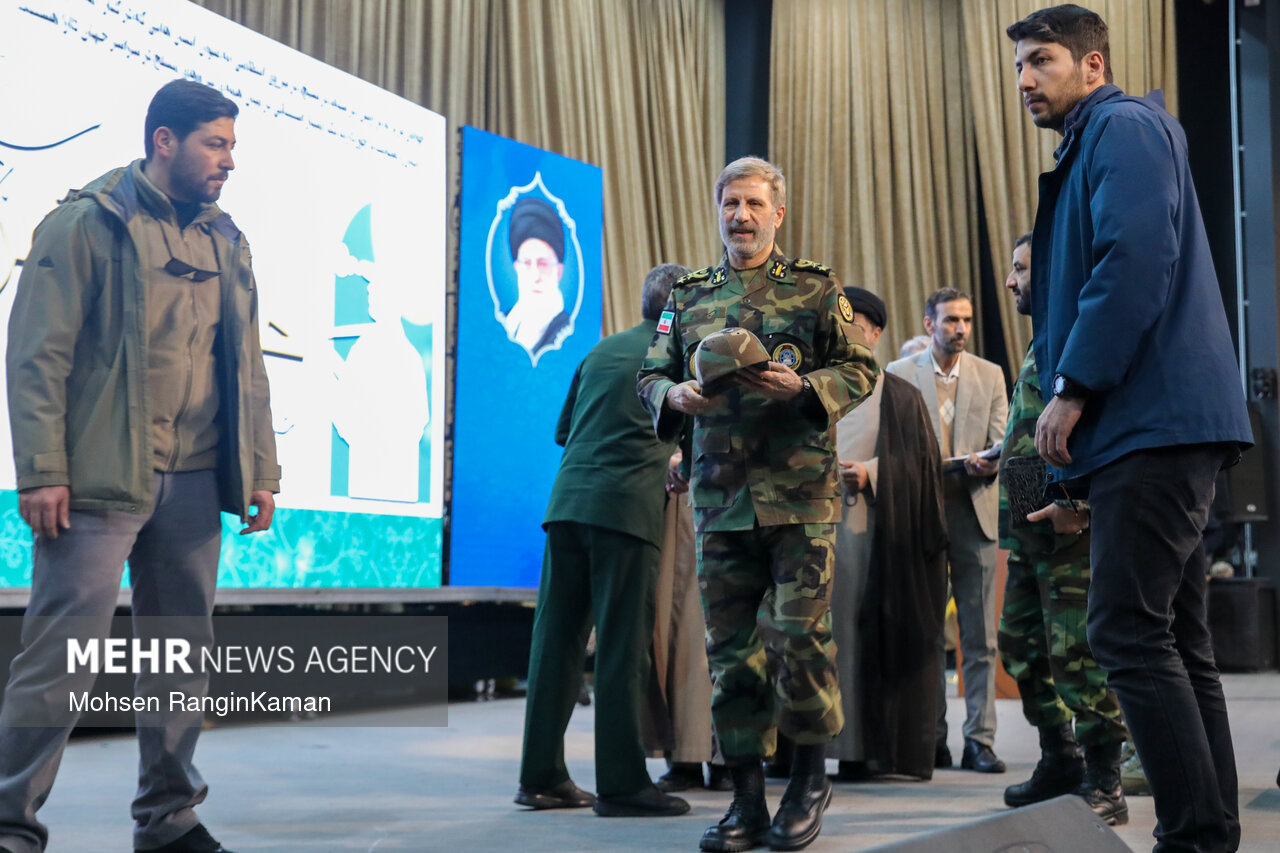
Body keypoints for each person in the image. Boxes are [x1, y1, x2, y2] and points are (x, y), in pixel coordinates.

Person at [0, 79, 280, 853]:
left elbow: (247, 365)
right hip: (99, 478)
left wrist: (260, 467)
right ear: (164, 141)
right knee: (60, 659)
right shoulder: (87, 223)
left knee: (181, 657)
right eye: (215, 144)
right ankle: (9, 824)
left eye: (231, 145)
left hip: (194, 479)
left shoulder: (229, 240)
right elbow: (36, 355)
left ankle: (169, 819)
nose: (228, 161)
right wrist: (42, 468)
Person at [1008, 6, 1252, 852]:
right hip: (1156, 426)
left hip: (1155, 422)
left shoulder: (1122, 127)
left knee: (1125, 631)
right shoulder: (1099, 140)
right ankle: (1207, 832)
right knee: (1176, 639)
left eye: (1042, 61)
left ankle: (1194, 836)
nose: (1026, 80)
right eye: (1019, 67)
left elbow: (1134, 258)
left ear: (1093, 64)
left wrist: (1073, 387)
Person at [637, 156, 878, 852]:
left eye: (753, 204)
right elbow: (651, 375)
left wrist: (806, 388)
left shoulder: (815, 288)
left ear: (778, 214)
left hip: (800, 499)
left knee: (799, 639)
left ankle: (808, 779)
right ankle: (745, 798)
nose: (740, 216)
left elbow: (860, 367)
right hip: (719, 500)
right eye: (730, 204)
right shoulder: (687, 297)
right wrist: (674, 396)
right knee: (731, 654)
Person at [516, 263, 692, 819]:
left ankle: (540, 778)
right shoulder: (681, 361)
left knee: (555, 644)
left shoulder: (600, 351)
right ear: (682, 311)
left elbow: (564, 432)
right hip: (625, 514)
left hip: (567, 507)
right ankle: (622, 783)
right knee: (622, 648)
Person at [995, 232, 1129, 824]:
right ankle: (1060, 759)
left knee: (1077, 655)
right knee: (1021, 648)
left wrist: (1085, 506)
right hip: (1029, 530)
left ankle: (1105, 779)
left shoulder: (1081, 342)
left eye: (1021, 269)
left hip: (1071, 527)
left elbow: (1112, 434)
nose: (1012, 281)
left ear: (1050, 272)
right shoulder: (1042, 340)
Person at [827, 288, 949, 782]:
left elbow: (924, 469)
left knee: (860, 642)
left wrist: (873, 472)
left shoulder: (900, 396)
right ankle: (806, 753)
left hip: (871, 535)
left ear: (876, 334)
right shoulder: (811, 387)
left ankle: (863, 749)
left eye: (855, 327)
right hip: (810, 540)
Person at [886, 288, 1009, 774]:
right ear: (929, 323)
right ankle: (931, 738)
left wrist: (990, 461)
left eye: (967, 320)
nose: (961, 328)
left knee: (980, 638)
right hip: (922, 514)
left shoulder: (990, 374)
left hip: (973, 512)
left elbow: (1002, 438)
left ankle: (979, 740)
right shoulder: (899, 374)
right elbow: (890, 445)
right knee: (928, 634)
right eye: (952, 320)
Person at [502, 196, 572, 363]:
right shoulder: (503, 323)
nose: (535, 276)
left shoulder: (568, 331)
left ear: (559, 272)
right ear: (517, 268)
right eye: (527, 263)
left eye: (543, 264)